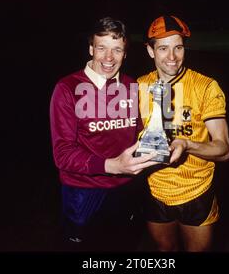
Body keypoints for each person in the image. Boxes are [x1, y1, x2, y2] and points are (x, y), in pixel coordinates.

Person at [49, 16, 157, 251]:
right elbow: (63, 154)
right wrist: (113, 165)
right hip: (84, 192)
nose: (109, 58)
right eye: (102, 48)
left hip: (126, 189)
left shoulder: (131, 86)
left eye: (117, 49)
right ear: (91, 49)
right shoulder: (67, 88)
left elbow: (138, 132)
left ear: (125, 53)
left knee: (121, 245)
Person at [137, 15, 229, 252]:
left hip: (197, 190)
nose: (172, 57)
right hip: (155, 189)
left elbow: (224, 148)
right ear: (150, 51)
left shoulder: (206, 86)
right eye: (163, 48)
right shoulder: (136, 87)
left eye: (178, 47)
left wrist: (188, 145)